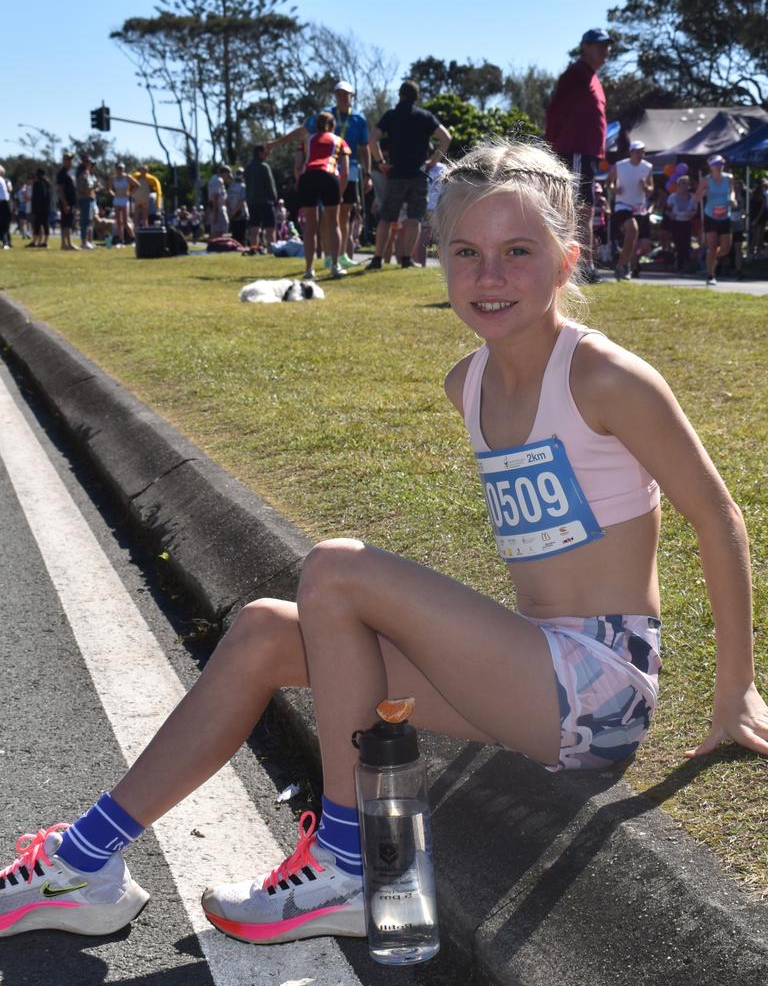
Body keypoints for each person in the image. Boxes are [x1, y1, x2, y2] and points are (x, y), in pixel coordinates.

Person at [3, 139, 767, 949]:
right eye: (465, 253)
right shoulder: (465, 383)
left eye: (518, 252)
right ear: (438, 258)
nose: (489, 276)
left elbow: (719, 519)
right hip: (524, 673)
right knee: (265, 628)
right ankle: (84, 863)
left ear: (567, 259)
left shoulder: (607, 379)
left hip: (598, 689)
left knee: (335, 567)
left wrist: (736, 692)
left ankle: (347, 860)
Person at [265, 81, 372, 270]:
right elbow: (301, 131)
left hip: (348, 169)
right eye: (338, 94)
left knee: (344, 214)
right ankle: (330, 257)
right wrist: (276, 143)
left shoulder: (358, 119)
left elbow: (365, 147)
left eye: (345, 94)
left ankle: (342, 255)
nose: (341, 97)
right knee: (325, 217)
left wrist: (369, 172)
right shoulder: (326, 115)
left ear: (352, 97)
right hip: (328, 172)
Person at [545, 28, 612, 283]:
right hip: (574, 150)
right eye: (599, 45)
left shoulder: (592, 77)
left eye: (607, 46)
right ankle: (579, 268)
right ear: (584, 47)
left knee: (585, 209)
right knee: (576, 209)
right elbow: (556, 111)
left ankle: (584, 266)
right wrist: (553, 144)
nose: (604, 50)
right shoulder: (576, 74)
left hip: (587, 154)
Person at [366, 80, 451, 270]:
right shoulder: (424, 117)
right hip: (418, 174)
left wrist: (381, 163)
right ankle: (406, 259)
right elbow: (446, 138)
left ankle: (377, 259)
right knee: (414, 217)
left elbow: (372, 139)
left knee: (387, 218)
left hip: (396, 174)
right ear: (417, 97)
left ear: (400, 95)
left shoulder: (391, 116)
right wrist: (434, 161)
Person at [294, 111, 350, 280]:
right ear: (333, 126)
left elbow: (297, 166)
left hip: (308, 177)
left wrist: (300, 183)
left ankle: (309, 269)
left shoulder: (305, 141)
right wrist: (340, 192)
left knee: (310, 227)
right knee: (333, 224)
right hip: (329, 176)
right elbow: (345, 172)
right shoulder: (339, 141)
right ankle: (335, 265)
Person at [606, 141, 654, 281]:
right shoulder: (620, 165)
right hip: (623, 205)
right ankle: (622, 265)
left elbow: (651, 189)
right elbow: (609, 182)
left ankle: (628, 263)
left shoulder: (647, 167)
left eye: (643, 152)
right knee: (633, 230)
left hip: (640, 207)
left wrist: (645, 186)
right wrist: (615, 189)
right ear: (631, 152)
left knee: (644, 246)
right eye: (638, 151)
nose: (641, 154)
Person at [693, 154, 735, 287]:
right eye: (717, 164)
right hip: (710, 215)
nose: (719, 166)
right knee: (712, 246)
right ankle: (711, 275)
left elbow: (731, 191)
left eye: (721, 163)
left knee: (726, 248)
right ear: (711, 167)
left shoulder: (729, 178)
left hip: (725, 216)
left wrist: (732, 199)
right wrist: (702, 193)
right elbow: (696, 198)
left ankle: (710, 258)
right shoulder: (706, 180)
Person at [244, 145, 278, 250]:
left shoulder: (248, 167)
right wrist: (274, 197)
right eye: (265, 152)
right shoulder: (264, 166)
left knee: (254, 228)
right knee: (270, 228)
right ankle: (271, 248)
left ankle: (254, 248)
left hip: (252, 202)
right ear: (260, 153)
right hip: (265, 202)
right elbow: (270, 184)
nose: (267, 155)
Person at [665, 175, 697, 272]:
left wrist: (691, 214)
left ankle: (686, 264)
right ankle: (679, 265)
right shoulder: (672, 197)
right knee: (678, 244)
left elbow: (695, 210)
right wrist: (671, 215)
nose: (686, 185)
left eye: (687, 183)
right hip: (676, 222)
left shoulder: (693, 197)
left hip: (687, 222)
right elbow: (667, 211)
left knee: (686, 243)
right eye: (683, 183)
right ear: (678, 185)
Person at [109, 163, 138, 247]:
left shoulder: (127, 177)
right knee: (118, 222)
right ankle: (121, 241)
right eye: (118, 168)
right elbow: (109, 189)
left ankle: (133, 239)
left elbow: (137, 185)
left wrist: (130, 193)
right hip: (117, 200)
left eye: (121, 168)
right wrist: (113, 194)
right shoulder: (113, 178)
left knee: (125, 221)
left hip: (124, 200)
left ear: (123, 169)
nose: (120, 170)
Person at [55, 152, 78, 250]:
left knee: (69, 223)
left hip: (71, 201)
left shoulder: (71, 172)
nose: (70, 161)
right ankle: (65, 244)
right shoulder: (62, 173)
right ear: (64, 160)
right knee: (66, 223)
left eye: (71, 159)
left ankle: (67, 243)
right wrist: (65, 203)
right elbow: (60, 189)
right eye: (68, 159)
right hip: (66, 202)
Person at [29, 168, 52, 248]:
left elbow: (36, 198)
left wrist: (34, 208)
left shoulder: (37, 183)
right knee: (45, 224)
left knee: (37, 225)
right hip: (46, 208)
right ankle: (44, 242)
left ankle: (35, 241)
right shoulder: (47, 183)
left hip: (38, 208)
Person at [227, 167, 249, 245]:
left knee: (236, 235)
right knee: (240, 236)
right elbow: (241, 201)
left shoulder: (231, 186)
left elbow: (228, 201)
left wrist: (230, 212)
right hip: (240, 214)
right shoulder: (243, 186)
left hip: (235, 214)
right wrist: (233, 212)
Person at [207, 165, 230, 238]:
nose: (227, 177)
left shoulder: (216, 179)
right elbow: (215, 196)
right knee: (218, 230)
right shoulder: (217, 180)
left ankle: (216, 245)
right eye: (227, 175)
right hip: (217, 208)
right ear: (224, 173)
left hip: (217, 208)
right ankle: (215, 245)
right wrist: (215, 211)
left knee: (220, 229)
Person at [0, 166, 11, 248]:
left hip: (4, 203)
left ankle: (6, 242)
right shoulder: (3, 180)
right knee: (4, 224)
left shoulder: (5, 180)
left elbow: (9, 190)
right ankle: (5, 242)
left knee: (4, 223)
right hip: (3, 203)